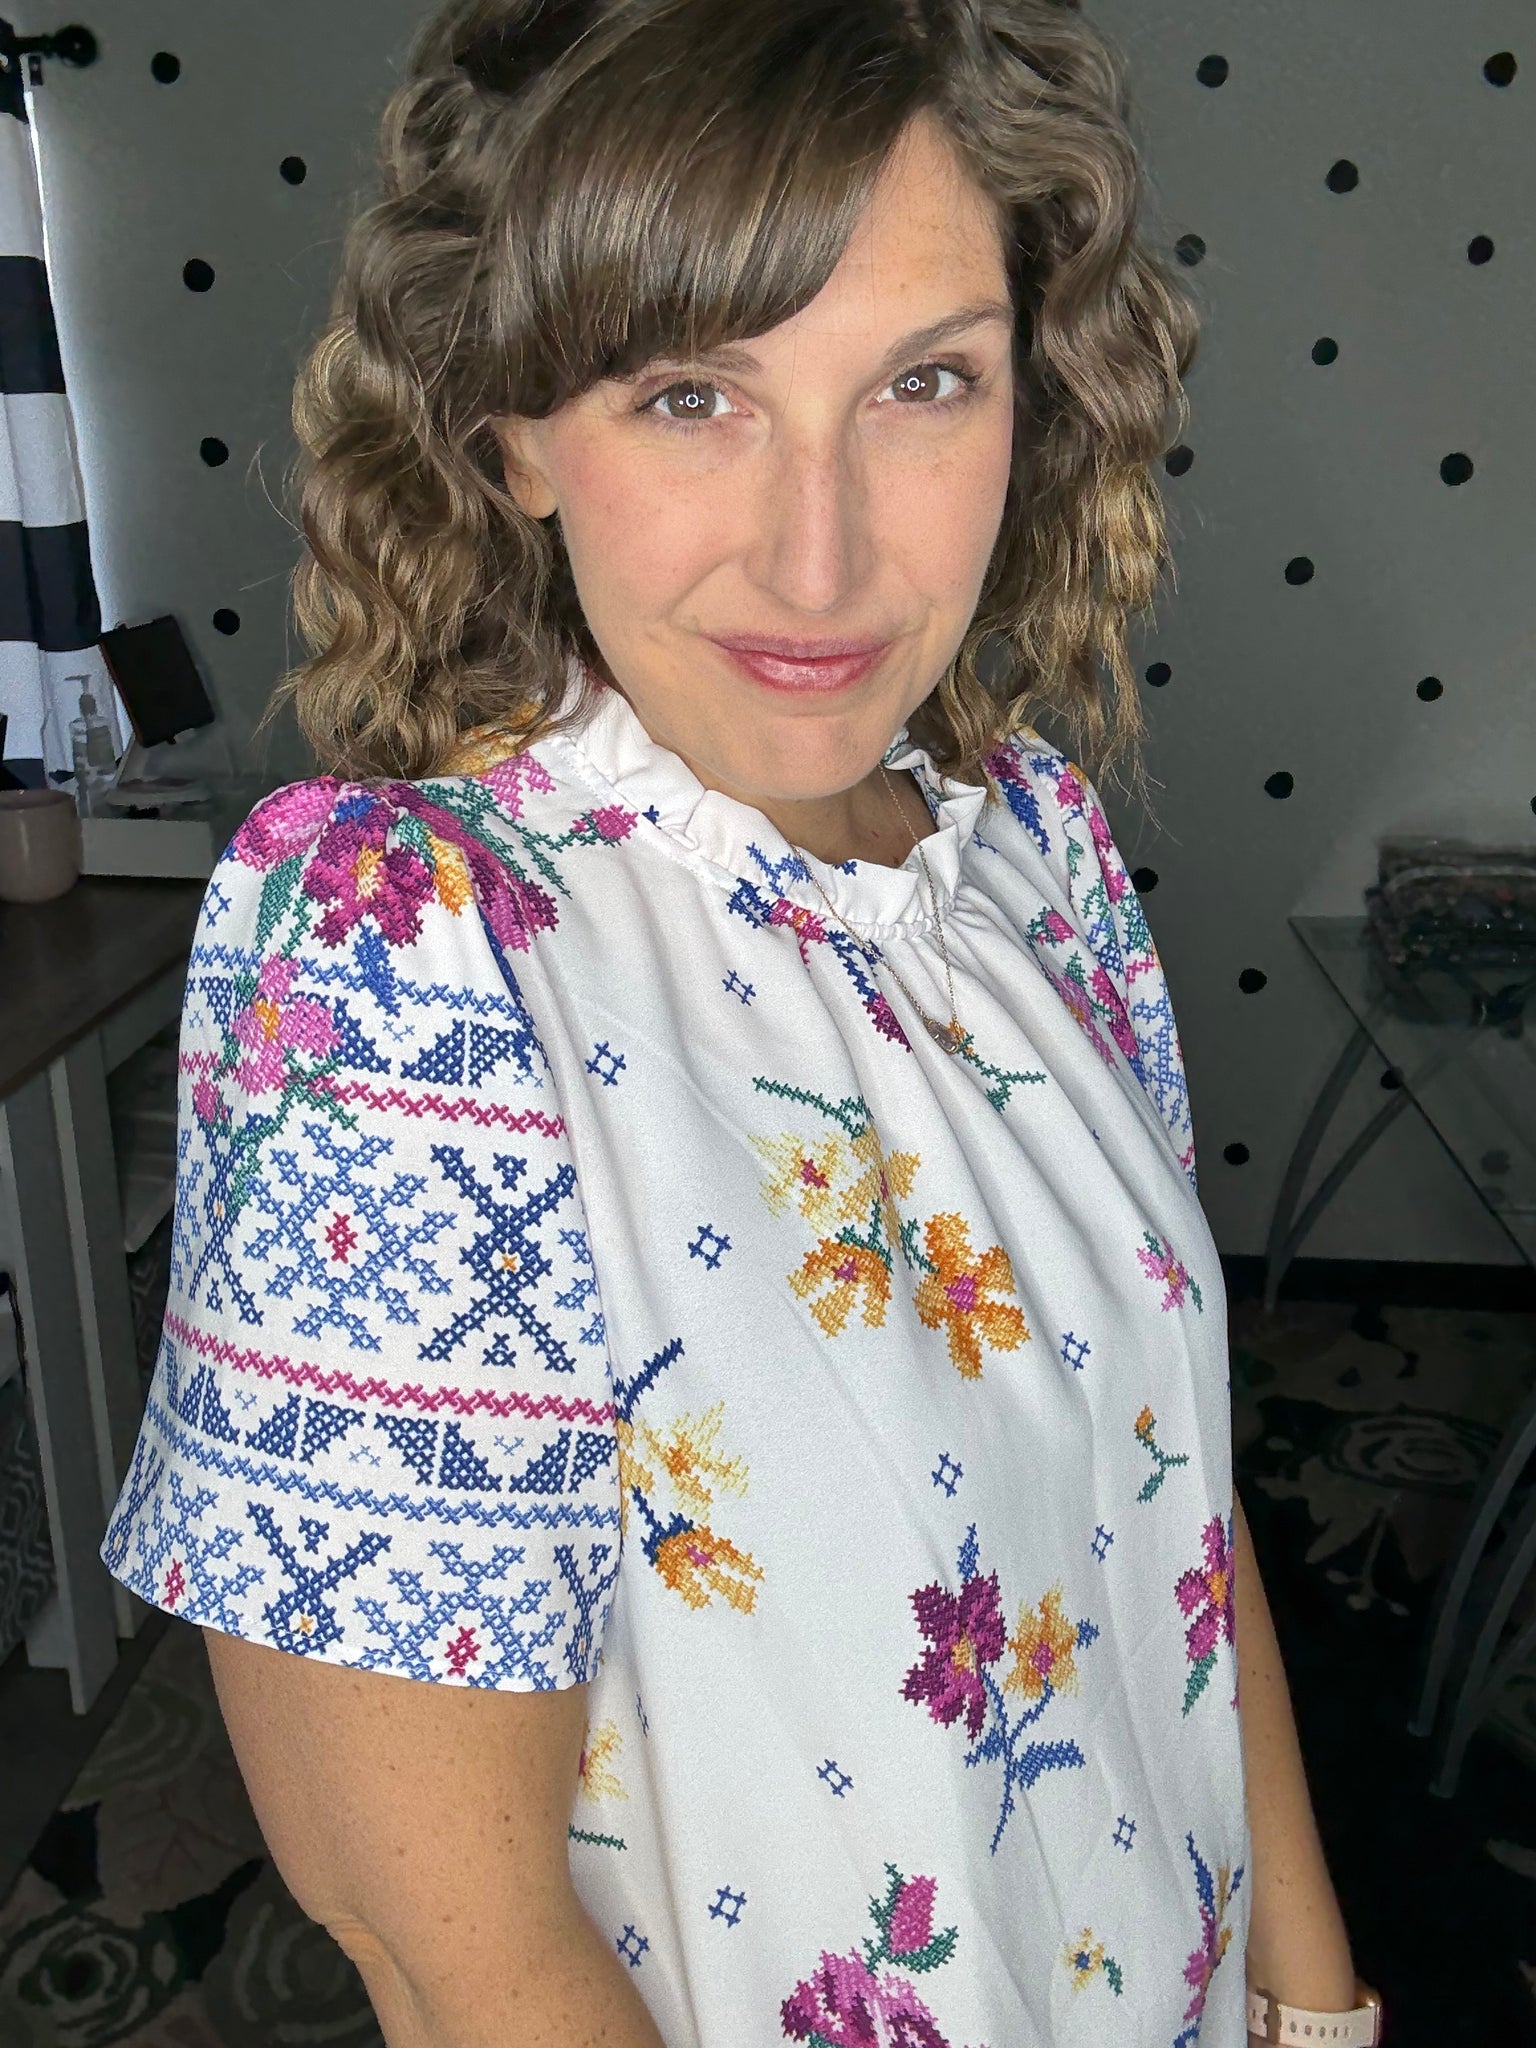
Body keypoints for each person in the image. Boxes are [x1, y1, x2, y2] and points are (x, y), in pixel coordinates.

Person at [101, 2, 1383, 2042]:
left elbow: (1181, 1519)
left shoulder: (1033, 854)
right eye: (691, 395)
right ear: (513, 432)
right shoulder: (407, 956)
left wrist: (1316, 2009)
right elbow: (452, 1943)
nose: (823, 551)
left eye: (924, 383)